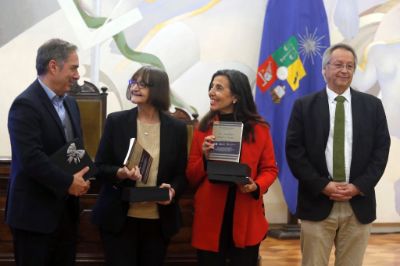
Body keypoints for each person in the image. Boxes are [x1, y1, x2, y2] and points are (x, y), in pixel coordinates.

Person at [285, 43, 391, 266]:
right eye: (339, 65)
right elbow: (295, 152)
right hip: (318, 200)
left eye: (350, 66)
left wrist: (359, 186)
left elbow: (381, 151)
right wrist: (322, 185)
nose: (345, 70)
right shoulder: (304, 106)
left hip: (358, 202)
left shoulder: (372, 106)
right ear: (325, 69)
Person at [91, 66, 188, 266]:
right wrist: (120, 172)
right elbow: (99, 168)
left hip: (158, 220)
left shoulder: (177, 128)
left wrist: (172, 191)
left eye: (143, 84)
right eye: (133, 82)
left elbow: (181, 175)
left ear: (159, 89)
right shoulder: (116, 122)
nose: (135, 87)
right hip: (120, 218)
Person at [6, 38, 91, 266]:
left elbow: (75, 149)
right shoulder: (25, 104)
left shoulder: (71, 103)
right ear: (53, 66)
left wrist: (84, 175)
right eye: (73, 68)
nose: (76, 75)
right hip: (34, 217)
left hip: (66, 214)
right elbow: (31, 159)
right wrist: (67, 182)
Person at [186, 69, 278, 266]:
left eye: (219, 88)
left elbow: (270, 169)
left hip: (245, 212)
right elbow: (191, 176)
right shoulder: (203, 128)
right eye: (211, 86)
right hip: (210, 216)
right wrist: (204, 157)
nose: (211, 92)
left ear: (236, 96)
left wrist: (256, 186)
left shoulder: (259, 129)